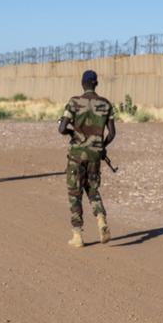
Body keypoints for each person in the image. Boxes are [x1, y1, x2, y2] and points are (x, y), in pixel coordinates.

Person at [57, 70, 115, 247]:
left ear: (83, 84)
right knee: (93, 190)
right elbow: (112, 133)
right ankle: (101, 218)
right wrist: (101, 146)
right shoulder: (106, 104)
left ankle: (77, 235)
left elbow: (61, 129)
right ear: (96, 84)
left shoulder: (74, 102)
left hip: (77, 155)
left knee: (75, 194)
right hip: (95, 156)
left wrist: (70, 131)